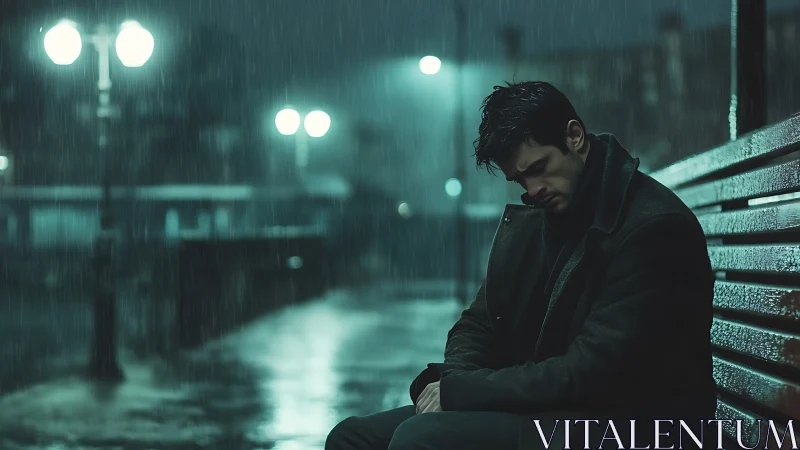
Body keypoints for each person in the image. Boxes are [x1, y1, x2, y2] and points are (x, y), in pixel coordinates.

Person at [325, 81, 716, 450]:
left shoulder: (651, 228)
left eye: (538, 168)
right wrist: (455, 379)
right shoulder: (543, 218)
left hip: (632, 426)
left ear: (574, 137)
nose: (532, 190)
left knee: (420, 438)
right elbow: (480, 320)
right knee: (353, 438)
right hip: (560, 410)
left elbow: (592, 372)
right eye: (520, 180)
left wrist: (462, 391)